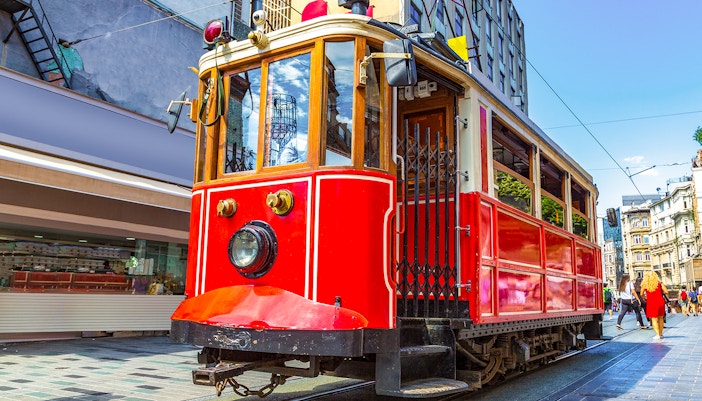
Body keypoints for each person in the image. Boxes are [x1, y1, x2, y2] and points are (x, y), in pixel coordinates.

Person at [641, 271, 668, 340]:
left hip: (651, 302)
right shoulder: (659, 283)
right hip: (660, 301)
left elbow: (641, 293)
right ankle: (661, 333)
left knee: (654, 319)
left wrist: (645, 298)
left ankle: (657, 334)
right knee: (661, 318)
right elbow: (666, 291)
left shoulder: (645, 285)